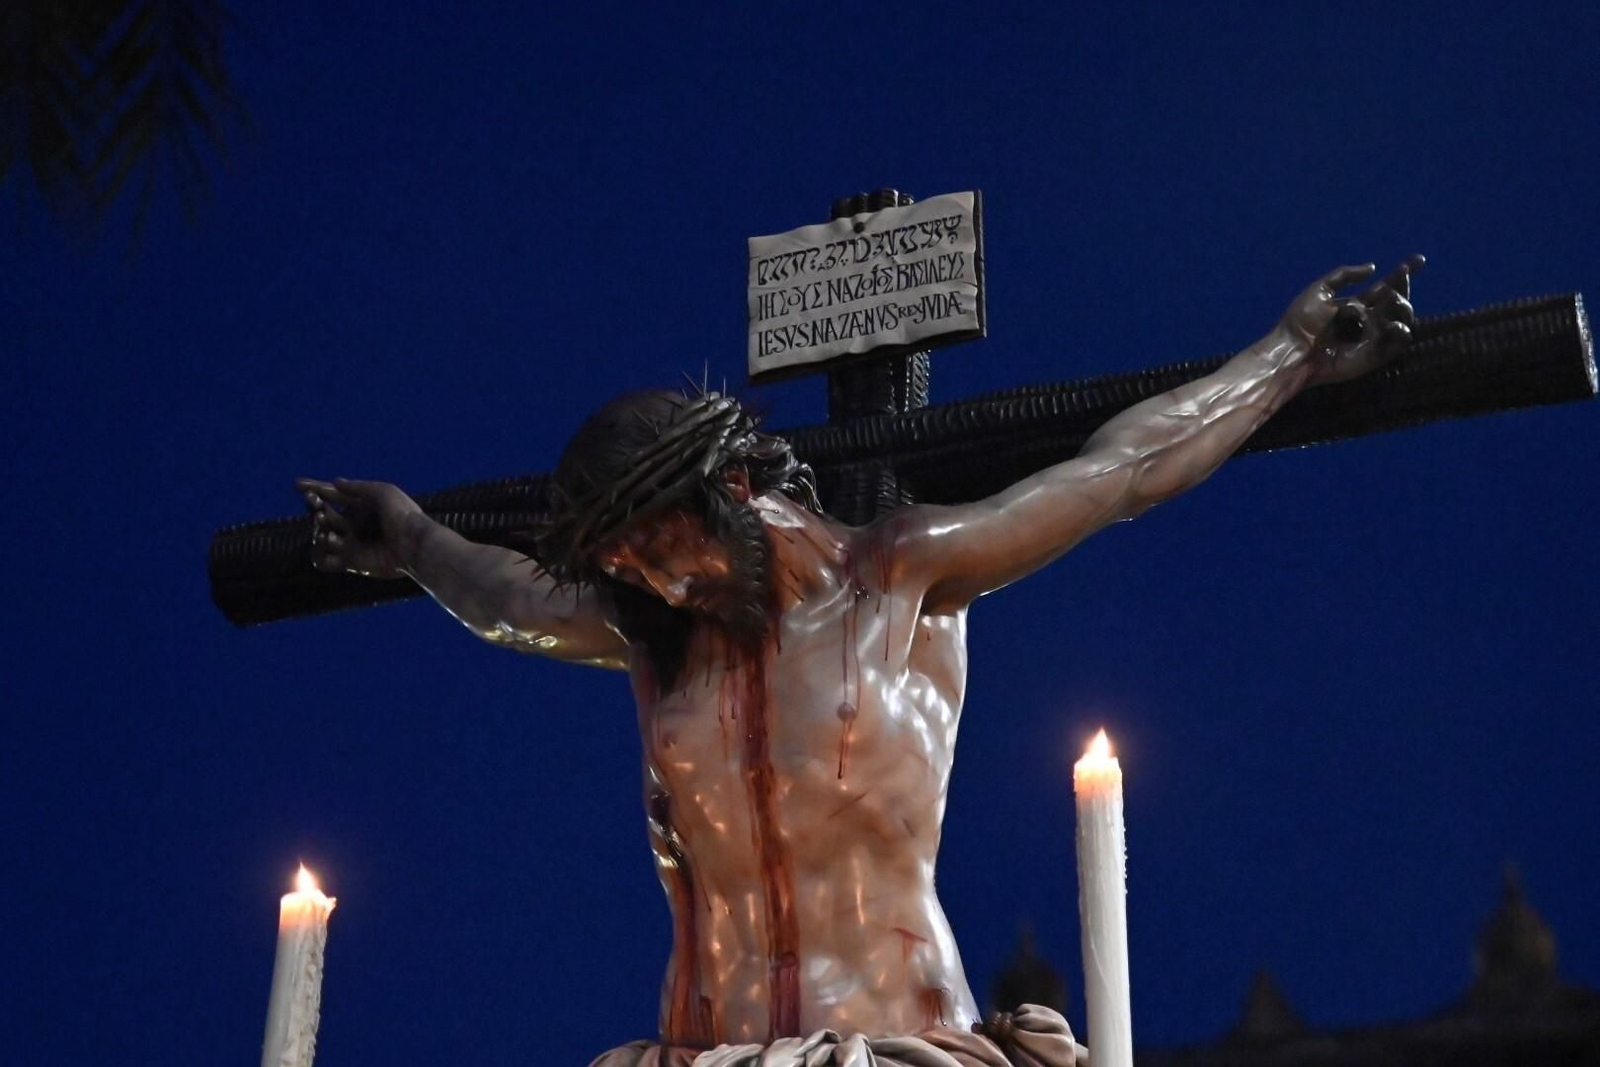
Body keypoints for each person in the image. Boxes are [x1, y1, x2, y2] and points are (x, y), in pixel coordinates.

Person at [298, 257, 1420, 1066]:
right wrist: (405, 534)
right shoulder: (654, 637)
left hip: (893, 1041)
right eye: (626, 568)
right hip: (700, 1050)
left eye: (661, 548)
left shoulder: (899, 576)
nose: (654, 583)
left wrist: (1288, 357)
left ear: (732, 487)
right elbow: (506, 599)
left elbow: (1118, 471)